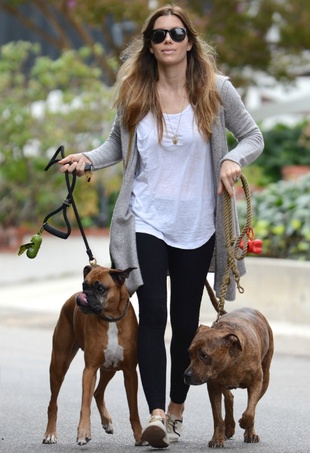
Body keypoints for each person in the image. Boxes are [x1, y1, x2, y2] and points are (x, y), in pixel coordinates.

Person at [59, 4, 264, 449]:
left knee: (185, 321)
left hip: (197, 225)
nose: (167, 41)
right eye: (158, 36)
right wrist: (87, 159)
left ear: (189, 40)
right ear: (149, 46)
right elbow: (117, 144)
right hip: (145, 220)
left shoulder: (217, 89)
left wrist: (231, 158)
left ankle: (175, 410)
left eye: (175, 34)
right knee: (152, 315)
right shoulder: (136, 90)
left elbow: (253, 136)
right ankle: (154, 416)